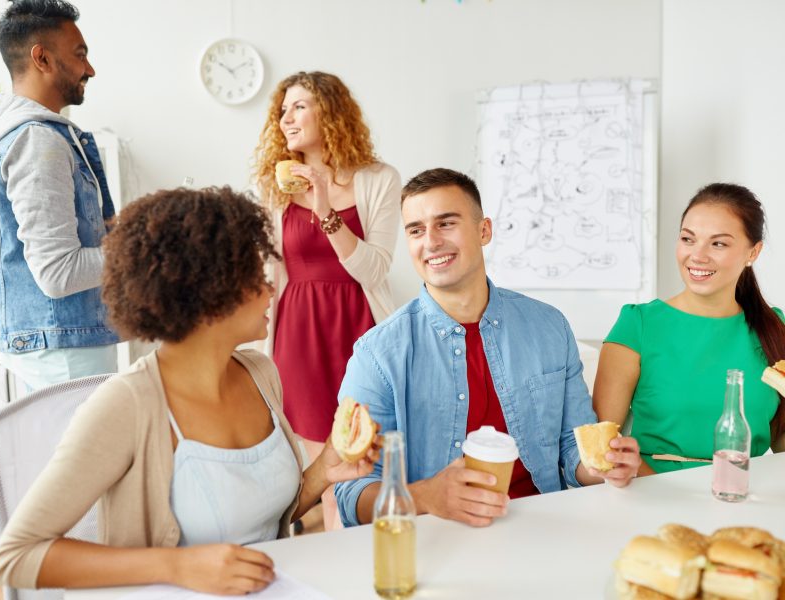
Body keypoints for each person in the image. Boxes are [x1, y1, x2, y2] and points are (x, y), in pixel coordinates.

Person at [0, 187, 379, 594]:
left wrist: (323, 471)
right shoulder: (127, 405)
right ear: (208, 292)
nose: (271, 289)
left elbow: (257, 519)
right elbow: (15, 556)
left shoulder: (261, 373)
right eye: (254, 276)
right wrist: (177, 566)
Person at [334, 168, 641, 528]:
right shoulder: (377, 353)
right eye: (416, 230)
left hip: (544, 527)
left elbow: (573, 449)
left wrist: (605, 465)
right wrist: (426, 497)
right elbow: (352, 493)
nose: (430, 242)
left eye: (446, 223)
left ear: (484, 231)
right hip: (437, 536)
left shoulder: (549, 326)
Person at [254, 71, 400, 526]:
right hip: (299, 334)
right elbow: (267, 269)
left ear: (330, 113)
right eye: (282, 111)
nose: (286, 120)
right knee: (327, 468)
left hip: (362, 329)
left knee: (369, 456)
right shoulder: (274, 188)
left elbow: (374, 268)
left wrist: (326, 212)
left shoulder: (379, 179)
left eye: (298, 107)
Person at [593, 183, 785, 475]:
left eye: (718, 243)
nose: (698, 255)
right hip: (652, 495)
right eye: (688, 239)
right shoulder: (637, 324)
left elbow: (779, 440)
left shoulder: (774, 327)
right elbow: (602, 447)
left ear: (753, 252)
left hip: (746, 496)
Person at [0, 0, 119, 391]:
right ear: (41, 58)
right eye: (80, 55)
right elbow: (58, 273)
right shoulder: (36, 140)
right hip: (68, 358)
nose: (90, 69)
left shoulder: (24, 135)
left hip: (60, 350)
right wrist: (143, 250)